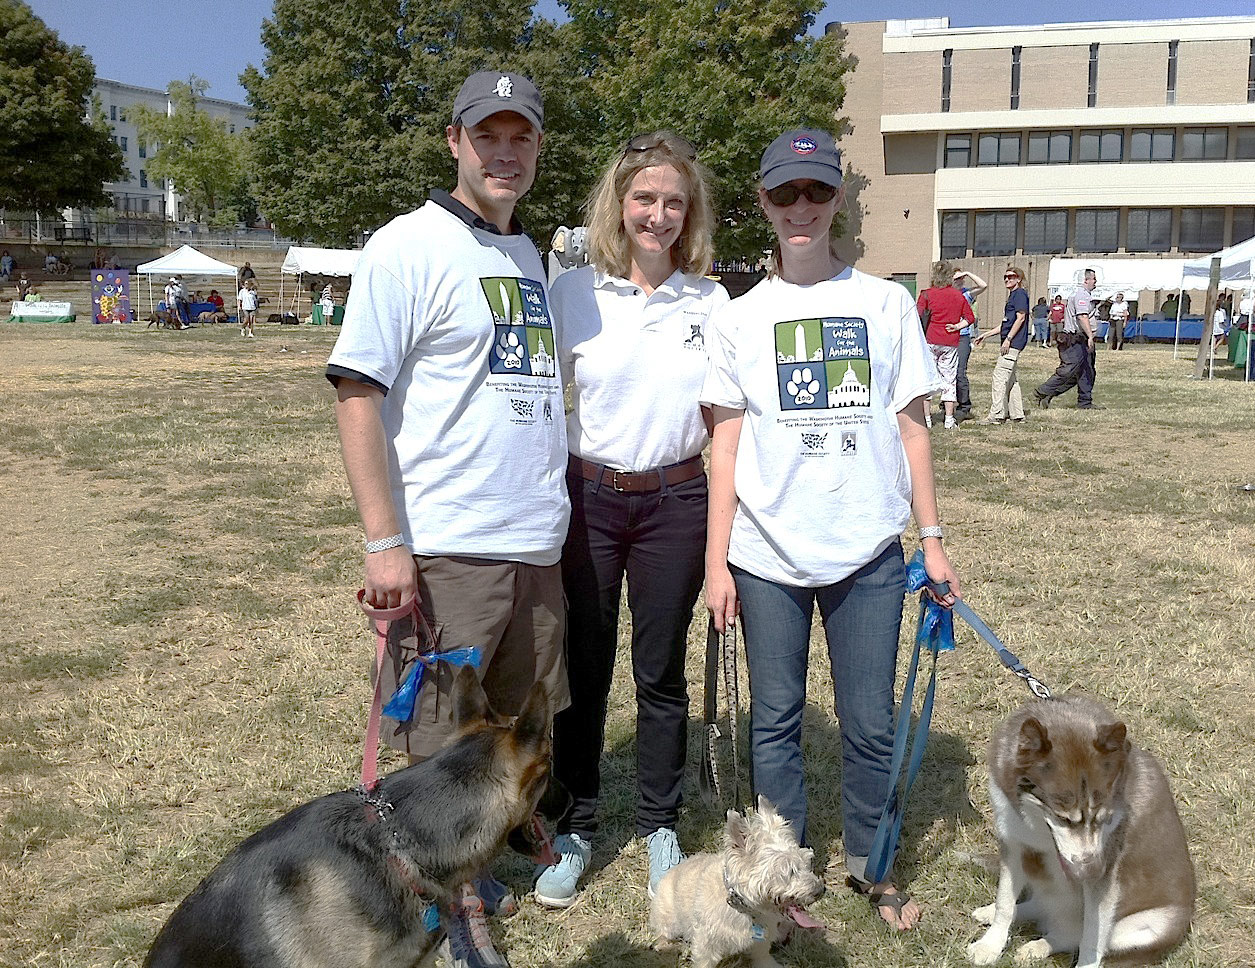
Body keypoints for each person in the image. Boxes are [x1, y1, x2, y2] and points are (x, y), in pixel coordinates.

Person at [325, 69, 567, 968]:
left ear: (538, 148)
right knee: (437, 750)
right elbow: (357, 394)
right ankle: (443, 921)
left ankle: (475, 875)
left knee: (503, 731)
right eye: (487, 135)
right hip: (452, 547)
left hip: (534, 543)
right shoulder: (407, 246)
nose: (505, 153)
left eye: (522, 137)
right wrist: (386, 542)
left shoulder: (529, 254)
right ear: (454, 142)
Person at [701, 127, 960, 932]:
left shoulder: (883, 303)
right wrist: (717, 563)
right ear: (764, 206)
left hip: (867, 554)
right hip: (767, 557)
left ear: (839, 198)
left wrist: (934, 537)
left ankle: (871, 869)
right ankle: (784, 875)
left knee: (870, 721)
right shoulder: (740, 317)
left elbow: (912, 426)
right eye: (785, 194)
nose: (800, 208)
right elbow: (726, 444)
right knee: (775, 720)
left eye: (816, 191)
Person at [535, 131, 728, 908]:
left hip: (677, 503)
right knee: (582, 669)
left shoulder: (712, 302)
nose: (658, 214)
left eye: (673, 201)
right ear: (620, 204)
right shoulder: (573, 293)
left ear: (690, 213)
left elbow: (727, 423)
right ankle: (576, 825)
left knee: (660, 673)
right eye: (644, 198)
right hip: (590, 499)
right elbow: (540, 410)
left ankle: (659, 826)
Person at [917, 261, 974, 429]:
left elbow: (917, 315)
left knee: (927, 379)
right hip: (950, 341)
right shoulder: (958, 296)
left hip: (929, 340)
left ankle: (926, 419)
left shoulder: (926, 294)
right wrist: (957, 326)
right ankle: (949, 419)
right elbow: (970, 318)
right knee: (949, 379)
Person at [975, 265, 1029, 423]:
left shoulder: (1019, 294)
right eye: (1005, 277)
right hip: (1011, 341)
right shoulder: (1013, 296)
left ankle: (996, 415)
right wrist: (985, 335)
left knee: (999, 377)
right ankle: (1018, 415)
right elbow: (1005, 323)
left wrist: (1008, 339)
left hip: (1013, 343)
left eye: (1011, 277)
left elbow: (1021, 318)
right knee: (1012, 379)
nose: (1007, 279)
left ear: (1018, 279)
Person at [1036, 269, 1096, 409]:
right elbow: (1082, 316)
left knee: (1086, 371)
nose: (1095, 282)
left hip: (1079, 338)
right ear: (1086, 280)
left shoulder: (1082, 294)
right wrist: (1090, 336)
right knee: (1068, 371)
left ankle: (1085, 402)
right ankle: (1042, 391)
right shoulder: (1082, 295)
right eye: (1093, 279)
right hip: (1076, 338)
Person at [952, 268, 985, 423]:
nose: (959, 281)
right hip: (947, 336)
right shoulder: (947, 293)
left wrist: (968, 273)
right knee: (947, 373)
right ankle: (949, 402)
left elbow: (983, 285)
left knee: (960, 372)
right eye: (956, 278)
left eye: (961, 279)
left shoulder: (967, 293)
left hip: (963, 336)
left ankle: (964, 406)